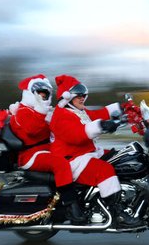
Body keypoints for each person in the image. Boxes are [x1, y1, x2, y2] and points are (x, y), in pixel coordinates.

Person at [49, 74, 141, 228]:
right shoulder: (60, 116)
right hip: (72, 160)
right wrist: (102, 126)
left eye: (83, 94)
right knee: (105, 170)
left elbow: (98, 114)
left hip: (87, 153)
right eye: (78, 95)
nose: (82, 98)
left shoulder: (79, 112)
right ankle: (118, 213)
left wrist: (123, 108)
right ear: (67, 97)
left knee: (121, 155)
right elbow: (77, 135)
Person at [8, 74, 86, 224]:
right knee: (60, 163)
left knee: (75, 155)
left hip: (46, 149)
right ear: (31, 94)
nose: (43, 97)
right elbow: (32, 130)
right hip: (30, 154)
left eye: (45, 95)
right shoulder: (22, 111)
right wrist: (41, 111)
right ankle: (71, 206)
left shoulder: (41, 111)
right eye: (40, 94)